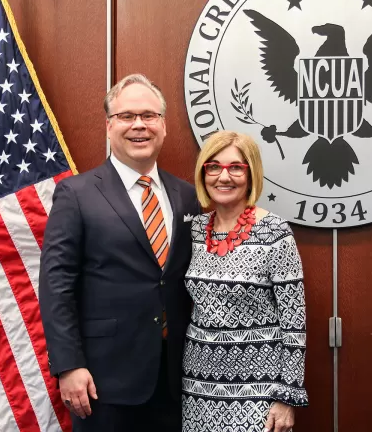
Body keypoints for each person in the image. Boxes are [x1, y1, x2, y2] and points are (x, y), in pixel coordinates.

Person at [39, 74, 199, 432]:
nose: (139, 125)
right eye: (126, 116)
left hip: (175, 379)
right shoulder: (76, 194)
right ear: (109, 127)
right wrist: (68, 365)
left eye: (149, 115)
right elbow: (56, 285)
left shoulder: (186, 196)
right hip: (102, 380)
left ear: (164, 125)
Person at [182, 131, 308, 432]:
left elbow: (294, 322)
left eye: (235, 167)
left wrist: (286, 397)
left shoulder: (275, 232)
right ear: (203, 174)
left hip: (260, 390)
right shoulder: (195, 229)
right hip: (199, 385)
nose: (223, 177)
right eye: (213, 167)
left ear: (251, 174)